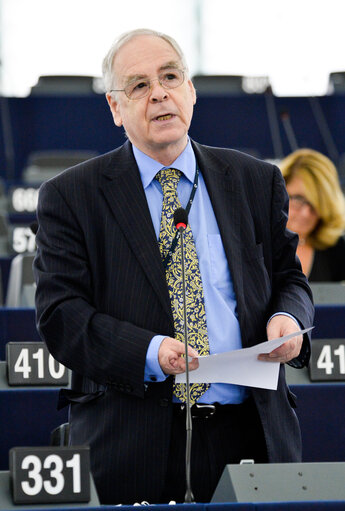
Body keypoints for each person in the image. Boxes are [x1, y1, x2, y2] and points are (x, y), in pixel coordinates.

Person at [33, 29, 314, 505]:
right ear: (115, 108)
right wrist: (150, 351)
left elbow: (291, 279)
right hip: (133, 439)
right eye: (139, 85)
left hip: (249, 433)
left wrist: (288, 320)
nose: (159, 92)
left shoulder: (254, 180)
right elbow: (61, 316)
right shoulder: (70, 196)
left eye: (170, 76)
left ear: (190, 91)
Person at [280, 148, 345, 281]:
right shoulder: (258, 246)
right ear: (279, 192)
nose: (306, 213)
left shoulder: (337, 250)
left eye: (315, 203)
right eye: (298, 198)